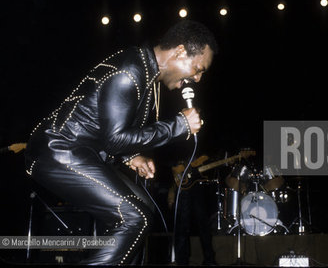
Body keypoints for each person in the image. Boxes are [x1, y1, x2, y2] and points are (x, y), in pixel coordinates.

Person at [24, 20, 218, 265]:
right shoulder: (129, 71)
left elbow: (106, 126)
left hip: (80, 150)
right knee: (135, 217)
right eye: (199, 68)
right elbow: (114, 140)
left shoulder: (143, 71)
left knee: (144, 210)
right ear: (180, 51)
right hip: (57, 150)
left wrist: (131, 156)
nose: (198, 78)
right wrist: (178, 126)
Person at [167, 155, 216, 266]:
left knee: (203, 224)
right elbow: (167, 159)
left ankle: (209, 260)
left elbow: (207, 157)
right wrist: (177, 165)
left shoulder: (199, 141)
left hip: (197, 185)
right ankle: (182, 260)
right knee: (183, 226)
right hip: (183, 187)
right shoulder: (178, 143)